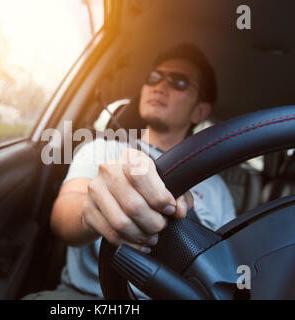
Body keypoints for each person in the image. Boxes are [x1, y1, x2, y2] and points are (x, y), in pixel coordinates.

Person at [23, 43, 236, 300]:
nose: (160, 86)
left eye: (179, 82)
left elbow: (226, 264)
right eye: (154, 77)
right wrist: (91, 209)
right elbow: (63, 214)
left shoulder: (216, 187)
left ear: (200, 110)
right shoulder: (102, 149)